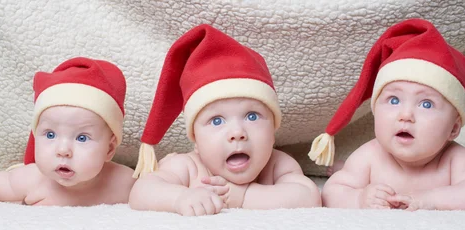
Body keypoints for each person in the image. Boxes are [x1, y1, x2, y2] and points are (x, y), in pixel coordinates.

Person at [308, 19, 465, 211]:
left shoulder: (456, 160)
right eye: (394, 100)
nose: (406, 115)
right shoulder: (369, 156)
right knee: (347, 173)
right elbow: (332, 192)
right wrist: (359, 197)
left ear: (453, 129)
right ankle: (342, 167)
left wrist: (432, 199)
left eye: (426, 104)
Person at [129, 24, 321, 216]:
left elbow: (308, 196)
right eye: (217, 121)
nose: (237, 133)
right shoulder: (187, 166)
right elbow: (141, 191)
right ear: (196, 140)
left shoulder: (277, 164)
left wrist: (245, 196)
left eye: (252, 116)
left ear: (273, 131)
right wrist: (180, 198)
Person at [0, 57, 137, 209]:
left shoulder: (123, 182)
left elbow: (154, 191)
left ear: (109, 149)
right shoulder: (33, 179)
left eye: (81, 138)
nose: (63, 150)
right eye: (50, 135)